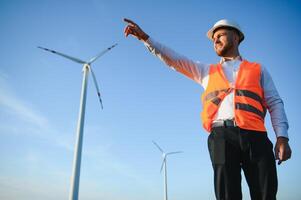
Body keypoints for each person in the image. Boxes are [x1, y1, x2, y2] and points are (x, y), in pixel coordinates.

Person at [123, 18, 292, 200]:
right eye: (213, 38)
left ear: (236, 37)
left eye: (220, 35)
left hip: (256, 137)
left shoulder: (258, 69)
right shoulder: (205, 71)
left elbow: (275, 103)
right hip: (220, 138)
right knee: (227, 195)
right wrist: (146, 39)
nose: (215, 40)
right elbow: (173, 59)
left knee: (265, 193)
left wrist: (282, 137)